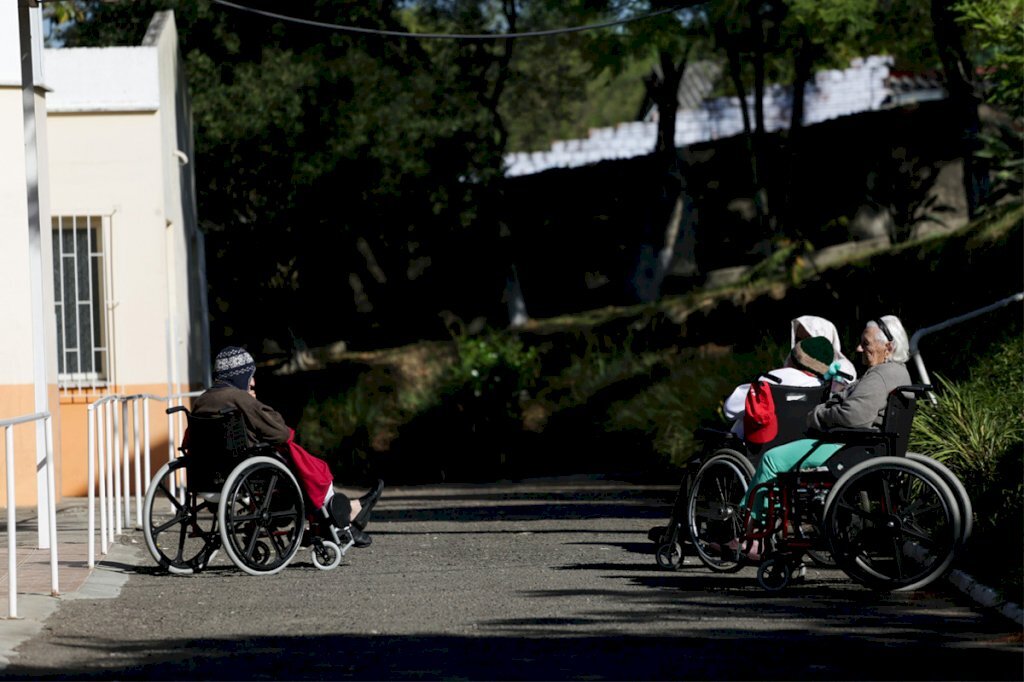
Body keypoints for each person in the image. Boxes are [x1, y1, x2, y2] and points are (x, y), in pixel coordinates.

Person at [725, 315, 912, 560]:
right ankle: (769, 526)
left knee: (772, 459)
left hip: (850, 447)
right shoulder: (899, 373)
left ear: (888, 346)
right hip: (870, 446)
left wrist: (819, 415)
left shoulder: (879, 375)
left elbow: (854, 415)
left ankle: (753, 536)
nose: (858, 348)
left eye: (865, 343)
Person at [190, 346, 384, 548]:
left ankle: (350, 511)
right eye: (250, 376)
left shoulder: (201, 401)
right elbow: (280, 433)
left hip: (208, 476)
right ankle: (341, 521)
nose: (253, 382)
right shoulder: (240, 399)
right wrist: (254, 402)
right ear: (239, 376)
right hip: (246, 472)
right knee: (302, 463)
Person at [722, 335, 840, 442]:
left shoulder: (771, 380)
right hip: (799, 447)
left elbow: (730, 409)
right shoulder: (821, 388)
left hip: (755, 448)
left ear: (792, 357)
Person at [791, 314, 857, 385]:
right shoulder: (792, 362)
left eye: (808, 339)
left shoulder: (843, 368)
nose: (801, 344)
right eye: (798, 339)